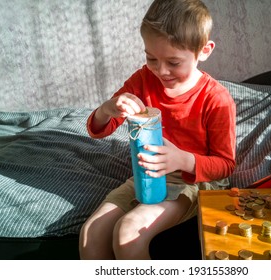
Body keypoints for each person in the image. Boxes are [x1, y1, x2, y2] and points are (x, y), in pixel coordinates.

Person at [79, 0, 236, 260]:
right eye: (151, 58)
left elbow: (225, 165)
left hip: (194, 181)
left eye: (173, 62)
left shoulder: (216, 99)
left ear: (204, 51)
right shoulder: (143, 80)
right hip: (146, 173)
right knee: (91, 232)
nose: (161, 70)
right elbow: (99, 128)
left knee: (128, 232)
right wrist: (107, 109)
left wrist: (181, 159)